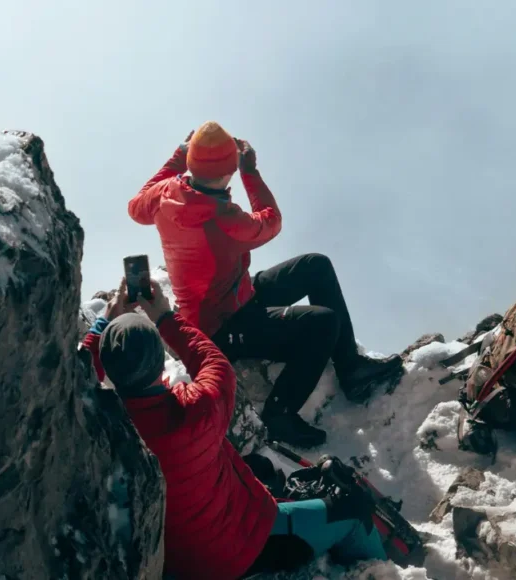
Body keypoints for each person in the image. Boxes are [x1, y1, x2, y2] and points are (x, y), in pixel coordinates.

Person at [80, 279, 387, 579]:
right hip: (243, 550)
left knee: (258, 467)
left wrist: (106, 319)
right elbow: (214, 362)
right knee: (354, 508)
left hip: (177, 562)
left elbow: (77, 377)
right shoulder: (196, 410)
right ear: (161, 362)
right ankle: (385, 572)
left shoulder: (104, 426)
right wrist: (163, 315)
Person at [127, 121, 403, 448]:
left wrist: (181, 154)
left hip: (235, 295)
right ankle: (280, 414)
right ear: (228, 171)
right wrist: (250, 171)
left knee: (315, 266)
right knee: (323, 323)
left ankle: (351, 369)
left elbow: (136, 206)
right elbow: (271, 221)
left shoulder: (165, 193)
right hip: (223, 326)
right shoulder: (223, 217)